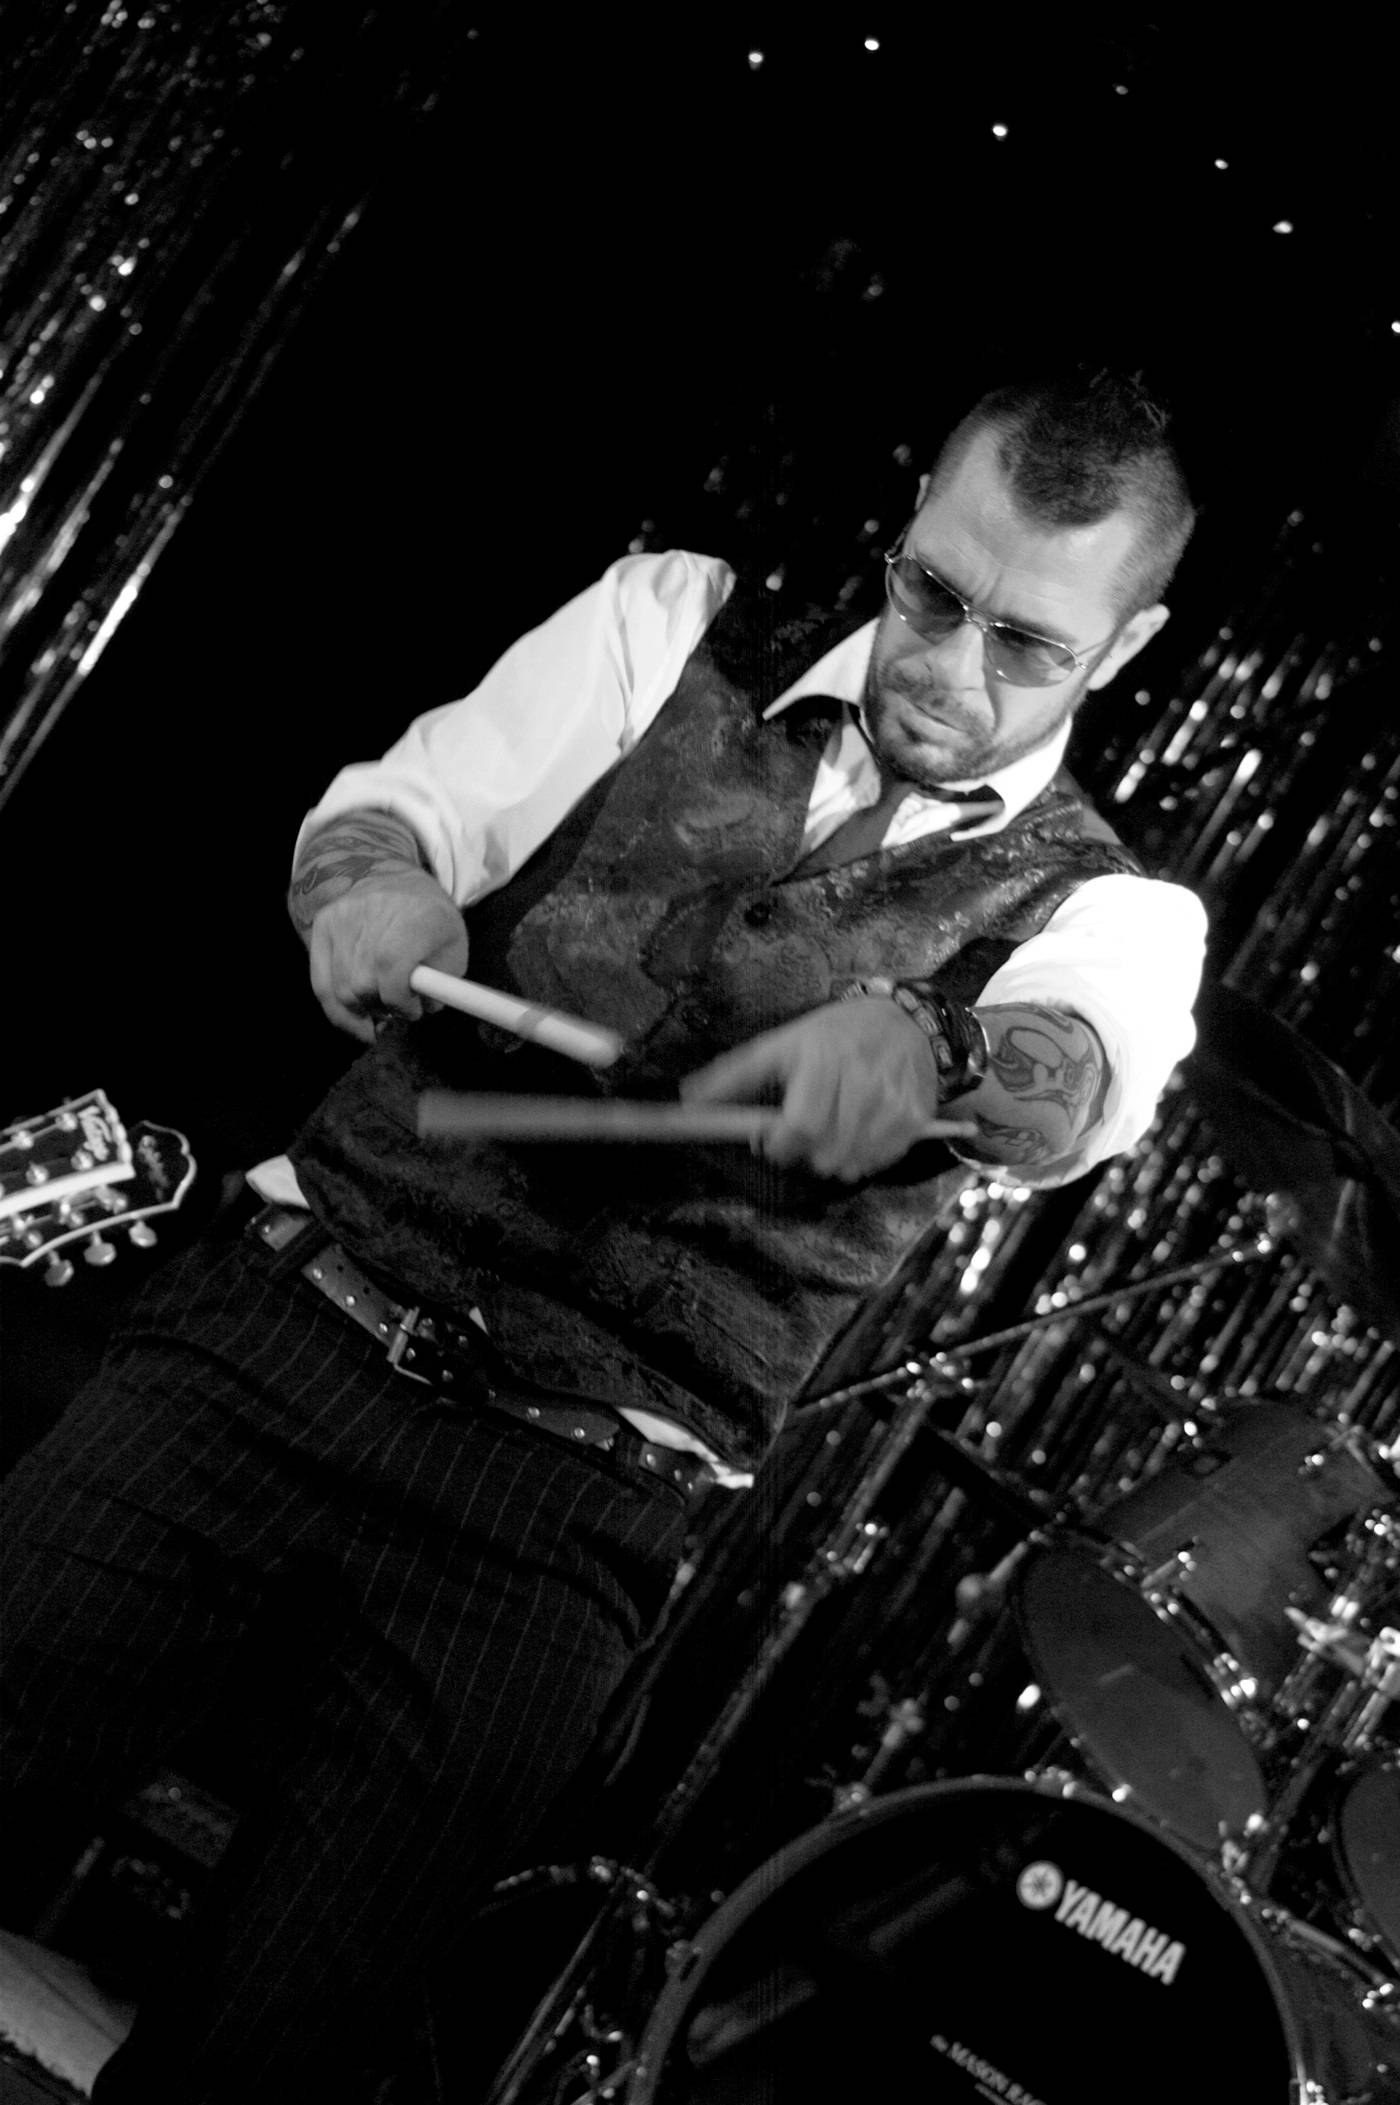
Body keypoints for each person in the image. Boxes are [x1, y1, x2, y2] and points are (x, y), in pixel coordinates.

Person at [0, 368, 1206, 2101]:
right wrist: (373, 887)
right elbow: (397, 814)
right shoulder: (673, 622)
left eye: (1028, 643)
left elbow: (1070, 1070)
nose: (951, 665)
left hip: (563, 1516)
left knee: (265, 2066)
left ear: (1128, 645)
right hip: (279, 1338)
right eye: (933, 592)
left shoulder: (1115, 908)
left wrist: (942, 1048)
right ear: (906, 530)